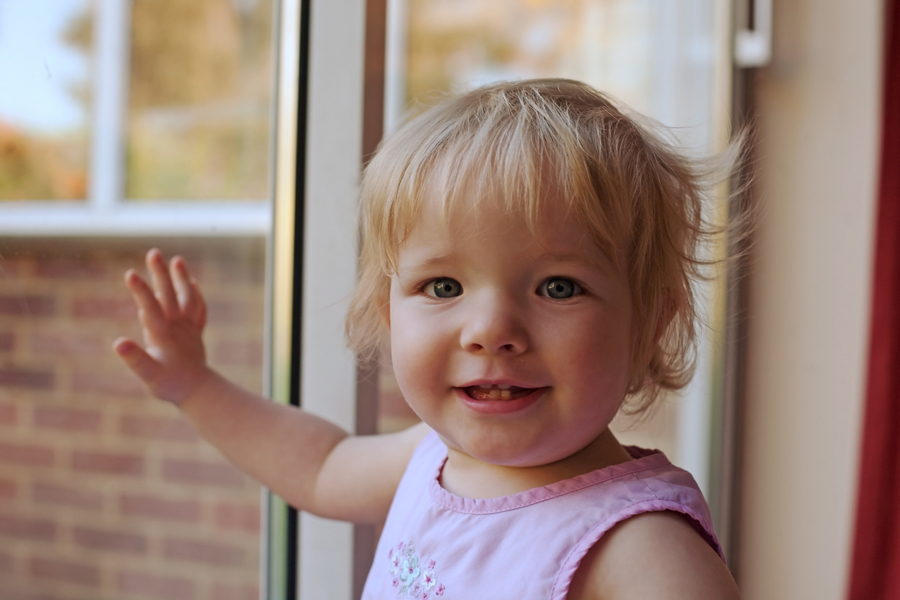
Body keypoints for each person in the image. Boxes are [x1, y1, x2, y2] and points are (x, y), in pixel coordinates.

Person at [114, 79, 741, 599]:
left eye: (557, 287)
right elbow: (319, 467)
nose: (490, 330)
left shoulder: (643, 550)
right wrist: (195, 386)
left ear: (650, 323)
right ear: (388, 315)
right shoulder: (433, 456)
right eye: (443, 286)